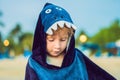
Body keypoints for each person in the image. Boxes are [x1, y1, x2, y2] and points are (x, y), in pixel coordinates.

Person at [25, 3, 116, 80]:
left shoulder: (78, 58)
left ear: (70, 38)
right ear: (41, 37)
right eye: (51, 40)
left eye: (63, 39)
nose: (57, 45)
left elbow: (100, 76)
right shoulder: (34, 64)